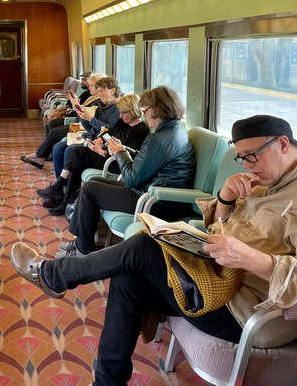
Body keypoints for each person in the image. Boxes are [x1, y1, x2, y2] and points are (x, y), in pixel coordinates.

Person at [11, 114, 297, 386]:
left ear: (283, 144)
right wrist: (223, 200)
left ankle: (55, 274)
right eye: (242, 158)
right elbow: (225, 232)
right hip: (219, 281)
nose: (248, 166)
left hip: (250, 309)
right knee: (129, 278)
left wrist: (251, 258)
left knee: (145, 248)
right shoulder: (269, 180)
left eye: (253, 155)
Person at [59, 85, 195, 257]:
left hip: (157, 201)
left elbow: (131, 178)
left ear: (159, 109)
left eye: (146, 109)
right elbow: (147, 161)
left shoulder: (160, 139)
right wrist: (125, 149)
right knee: (93, 183)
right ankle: (80, 242)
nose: (144, 114)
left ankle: (82, 248)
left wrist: (120, 153)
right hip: (153, 190)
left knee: (90, 190)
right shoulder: (174, 131)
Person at [39, 93, 149, 216]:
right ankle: (65, 198)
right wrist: (100, 139)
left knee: (77, 154)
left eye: (124, 112)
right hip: (107, 156)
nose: (120, 115)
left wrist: (102, 151)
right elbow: (109, 133)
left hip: (116, 164)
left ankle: (60, 191)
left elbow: (129, 157)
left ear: (133, 111)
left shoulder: (141, 130)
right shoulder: (123, 122)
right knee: (77, 157)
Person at [48, 76, 122, 188]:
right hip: (89, 134)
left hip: (100, 142)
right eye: (98, 91)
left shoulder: (117, 109)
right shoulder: (101, 105)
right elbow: (88, 126)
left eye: (102, 90)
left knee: (68, 150)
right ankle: (61, 187)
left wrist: (90, 119)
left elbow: (108, 130)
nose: (99, 93)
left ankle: (65, 188)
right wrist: (81, 112)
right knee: (57, 148)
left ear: (112, 90)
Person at [21, 72, 106, 169]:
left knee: (54, 132)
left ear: (99, 86)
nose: (89, 87)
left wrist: (75, 104)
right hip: (79, 124)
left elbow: (87, 116)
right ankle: (41, 156)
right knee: (53, 127)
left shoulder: (100, 101)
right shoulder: (92, 97)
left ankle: (40, 156)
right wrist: (75, 103)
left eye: (91, 85)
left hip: (83, 128)